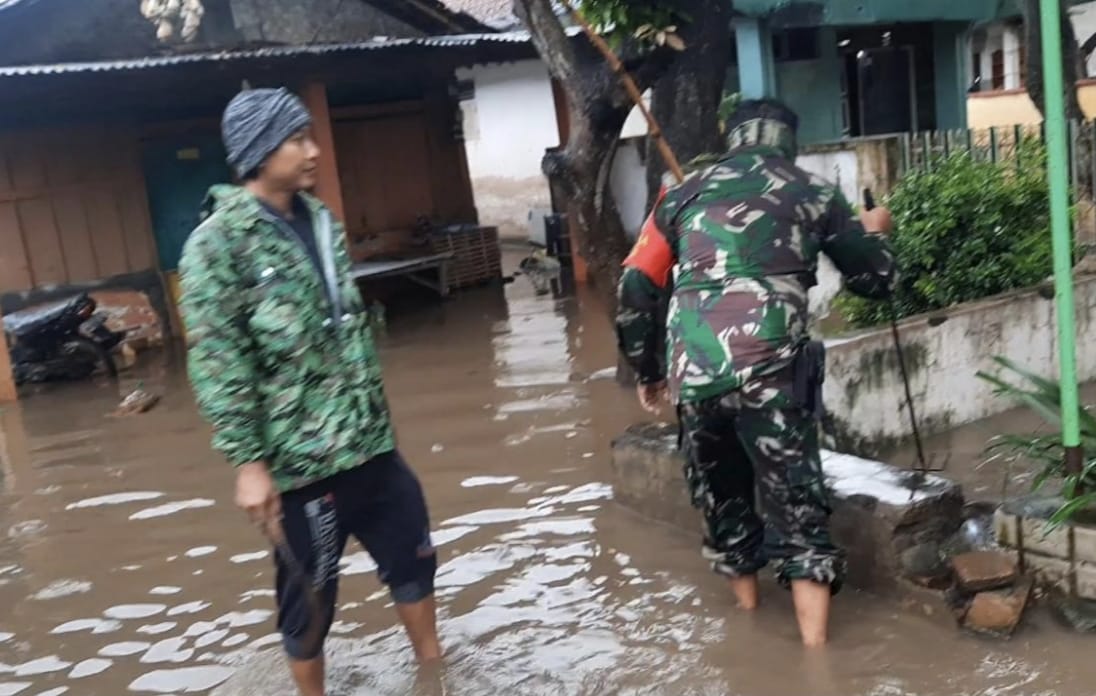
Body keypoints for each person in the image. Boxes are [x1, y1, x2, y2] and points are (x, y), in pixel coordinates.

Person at [178, 88, 441, 695]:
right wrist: (248, 463)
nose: (313, 150)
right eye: (297, 140)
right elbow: (220, 361)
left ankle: (436, 677)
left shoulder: (321, 221)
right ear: (259, 151)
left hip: (371, 444)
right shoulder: (216, 246)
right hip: (302, 466)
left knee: (416, 559)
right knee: (309, 601)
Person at [615, 99, 897, 647]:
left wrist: (649, 371)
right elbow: (877, 281)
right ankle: (816, 663)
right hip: (772, 375)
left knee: (723, 499)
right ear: (788, 139)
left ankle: (747, 625)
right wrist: (877, 230)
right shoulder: (813, 191)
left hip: (694, 378)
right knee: (797, 508)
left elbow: (634, 287)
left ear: (732, 138)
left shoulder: (681, 194)